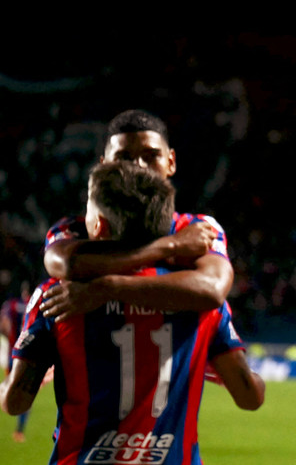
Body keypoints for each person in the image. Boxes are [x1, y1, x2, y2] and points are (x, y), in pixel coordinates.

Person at [0, 161, 264, 464]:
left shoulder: (58, 296)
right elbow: (249, 396)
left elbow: (15, 402)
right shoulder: (200, 297)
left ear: (98, 226)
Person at [39, 109, 233, 319]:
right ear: (104, 167)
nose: (138, 166)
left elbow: (213, 289)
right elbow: (66, 264)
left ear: (171, 162)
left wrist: (108, 287)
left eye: (151, 156)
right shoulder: (74, 228)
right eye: (123, 157)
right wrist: (171, 245)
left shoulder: (196, 228)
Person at [1, 281, 32, 442]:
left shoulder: (11, 305)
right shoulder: (36, 304)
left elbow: (4, 327)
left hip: (11, 354)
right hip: (27, 356)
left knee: (8, 387)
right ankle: (19, 431)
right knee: (24, 394)